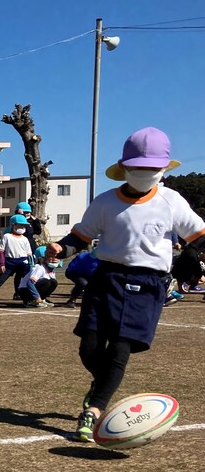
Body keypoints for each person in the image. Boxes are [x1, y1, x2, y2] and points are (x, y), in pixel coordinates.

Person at [47, 126, 205, 442]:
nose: (146, 172)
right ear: (125, 168)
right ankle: (102, 383)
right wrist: (61, 249)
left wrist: (193, 254)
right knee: (89, 348)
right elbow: (80, 235)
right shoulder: (105, 202)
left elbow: (200, 235)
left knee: (120, 349)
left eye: (153, 167)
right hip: (106, 277)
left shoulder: (171, 200)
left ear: (164, 168)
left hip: (147, 283)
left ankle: (93, 411)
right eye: (139, 166)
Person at [0, 214, 34, 304]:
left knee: (26, 281)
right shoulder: (7, 236)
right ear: (13, 225)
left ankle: (29, 297)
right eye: (19, 225)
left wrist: (31, 265)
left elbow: (29, 254)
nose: (22, 227)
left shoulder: (25, 239)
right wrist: (1, 264)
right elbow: (1, 250)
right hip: (9, 262)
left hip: (23, 262)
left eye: (23, 225)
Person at [63, 242, 99, 307]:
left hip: (87, 273)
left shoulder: (105, 259)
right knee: (83, 283)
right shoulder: (84, 256)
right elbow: (91, 271)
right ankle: (72, 300)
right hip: (73, 272)